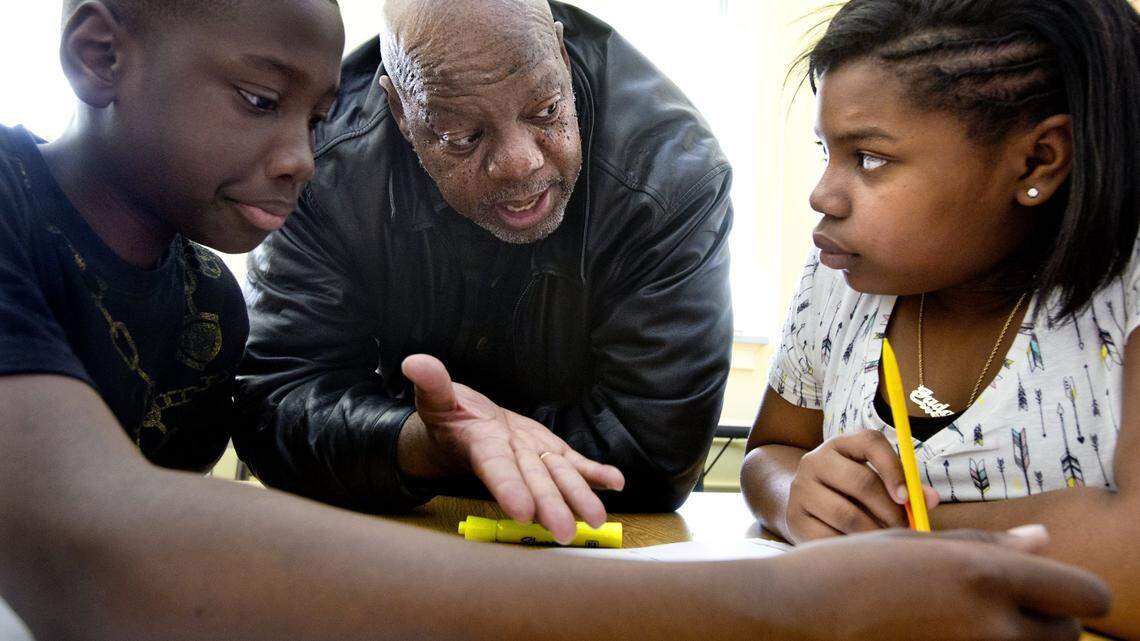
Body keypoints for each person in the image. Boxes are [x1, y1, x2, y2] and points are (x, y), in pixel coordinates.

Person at [0, 0, 1115, 639]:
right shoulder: (293, 179)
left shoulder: (199, 304)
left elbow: (148, 530)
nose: (296, 154)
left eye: (546, 110)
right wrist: (775, 604)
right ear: (392, 110)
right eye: (262, 102)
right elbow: (111, 542)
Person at [233, 0, 733, 540]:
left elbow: (654, 455)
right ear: (401, 113)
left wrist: (430, 448)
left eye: (546, 111)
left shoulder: (669, 174)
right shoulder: (324, 163)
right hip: (401, 535)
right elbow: (273, 403)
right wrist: (421, 442)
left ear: (561, 58)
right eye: (463, 136)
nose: (522, 164)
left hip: (603, 541)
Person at [740, 0, 1140, 637]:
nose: (821, 194)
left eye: (870, 158)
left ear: (1039, 160)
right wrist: (796, 500)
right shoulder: (840, 279)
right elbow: (774, 450)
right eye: (825, 150)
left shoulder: (1125, 294)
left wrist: (890, 536)